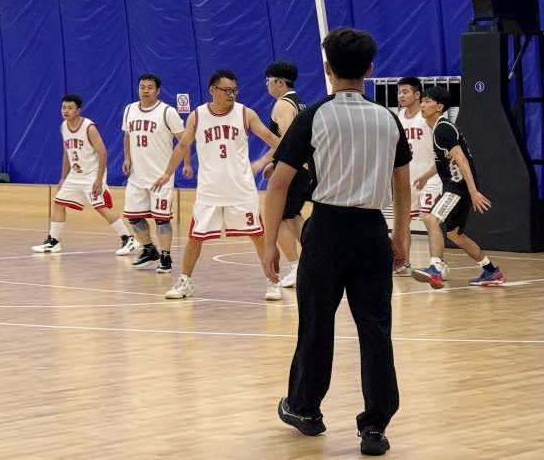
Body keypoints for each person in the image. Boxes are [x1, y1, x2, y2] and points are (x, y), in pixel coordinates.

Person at [262, 27, 410, 457]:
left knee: (316, 324)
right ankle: (375, 427)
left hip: (326, 229)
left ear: (327, 68)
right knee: (376, 330)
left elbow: (278, 184)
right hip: (371, 232)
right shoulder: (388, 119)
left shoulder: (314, 116)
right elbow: (402, 185)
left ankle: (305, 409)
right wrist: (401, 235)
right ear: (370, 69)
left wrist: (270, 244)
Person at [153, 70, 283, 302]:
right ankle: (184, 281)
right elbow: (182, 146)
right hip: (209, 190)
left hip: (241, 189)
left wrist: (271, 160)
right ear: (212, 90)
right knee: (195, 237)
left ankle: (273, 282)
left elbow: (275, 141)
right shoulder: (197, 116)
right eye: (227, 90)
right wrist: (167, 174)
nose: (232, 95)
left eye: (234, 90)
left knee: (258, 236)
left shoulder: (245, 113)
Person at [409, 88, 505, 288]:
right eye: (422, 101)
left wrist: (473, 192)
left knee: (431, 219)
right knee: (455, 235)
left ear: (439, 107)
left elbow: (462, 160)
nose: (422, 105)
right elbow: (446, 160)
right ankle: (491, 271)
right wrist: (426, 176)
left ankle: (435, 268)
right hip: (455, 186)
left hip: (458, 187)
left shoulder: (443, 129)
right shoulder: (437, 128)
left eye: (427, 101)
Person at [33, 95, 137, 255]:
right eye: (63, 107)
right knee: (59, 203)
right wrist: (63, 177)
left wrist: (99, 180)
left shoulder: (89, 127)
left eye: (70, 108)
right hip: (75, 174)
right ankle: (53, 241)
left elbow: (103, 153)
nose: (66, 111)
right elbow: (67, 153)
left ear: (78, 110)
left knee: (101, 207)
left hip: (92, 174)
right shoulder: (63, 127)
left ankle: (128, 238)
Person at [120, 74, 189, 273]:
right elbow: (127, 136)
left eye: (150, 87)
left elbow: (183, 140)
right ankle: (149, 250)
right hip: (137, 175)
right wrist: (127, 158)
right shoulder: (129, 109)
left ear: (158, 91)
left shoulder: (167, 112)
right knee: (133, 217)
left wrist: (186, 163)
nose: (145, 90)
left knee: (161, 219)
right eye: (142, 87)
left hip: (161, 176)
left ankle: (165, 257)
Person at [391, 77, 444, 278]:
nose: (401, 96)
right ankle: (403, 262)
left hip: (430, 178)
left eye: (405, 92)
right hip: (407, 180)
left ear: (417, 94)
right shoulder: (399, 117)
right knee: (403, 223)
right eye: (399, 92)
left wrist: (429, 174)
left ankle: (437, 265)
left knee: (429, 220)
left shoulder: (427, 117)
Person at [262, 61, 307, 289]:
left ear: (279, 82)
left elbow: (290, 136)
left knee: (277, 217)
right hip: (303, 167)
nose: (266, 85)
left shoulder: (282, 105)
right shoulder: (299, 101)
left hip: (294, 168)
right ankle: (312, 260)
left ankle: (297, 267)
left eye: (268, 81)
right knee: (292, 216)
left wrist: (277, 163)